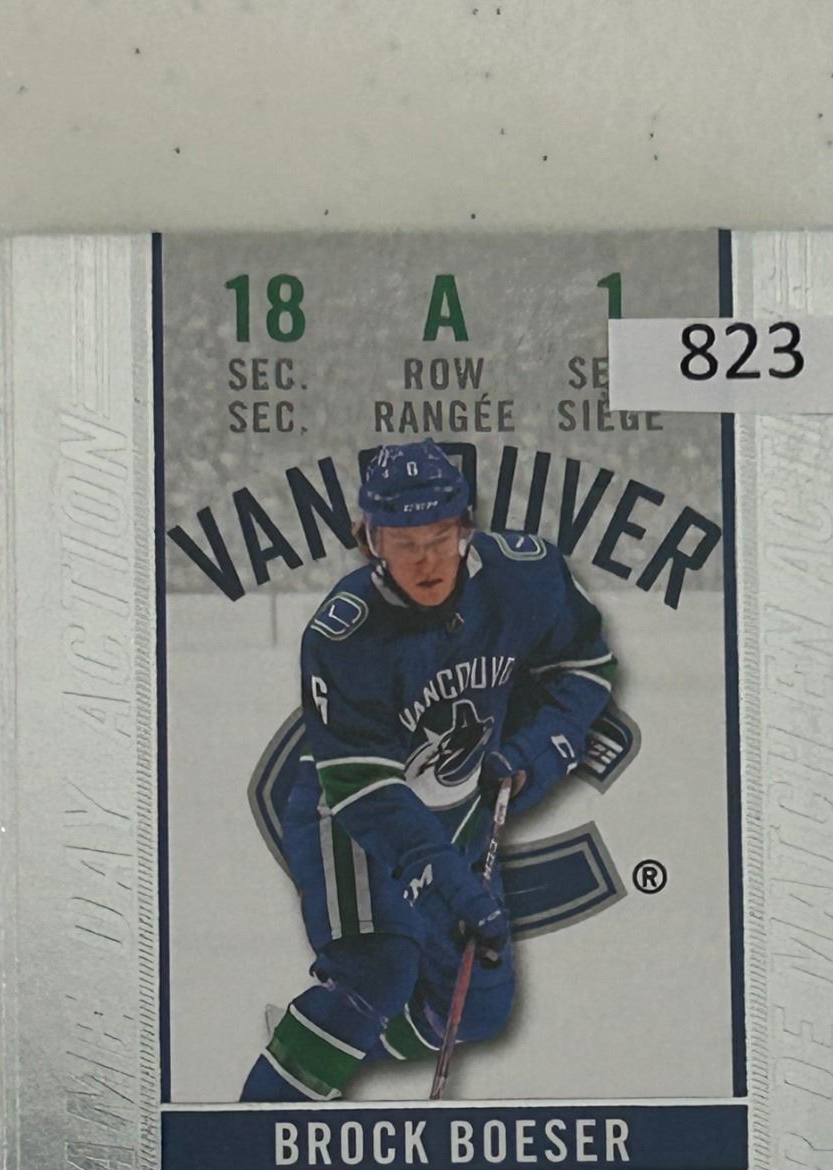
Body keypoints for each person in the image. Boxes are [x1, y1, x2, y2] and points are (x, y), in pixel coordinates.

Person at [240, 439, 617, 1102]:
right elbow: (366, 791)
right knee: (376, 972)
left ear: (466, 527)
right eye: (405, 543)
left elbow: (583, 671)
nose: (426, 560)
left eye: (440, 539)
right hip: (350, 819)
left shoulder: (525, 577)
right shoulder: (344, 634)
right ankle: (251, 1135)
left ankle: (317, 1043)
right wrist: (449, 885)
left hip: (458, 813)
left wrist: (530, 753)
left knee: (477, 1006)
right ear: (369, 541)